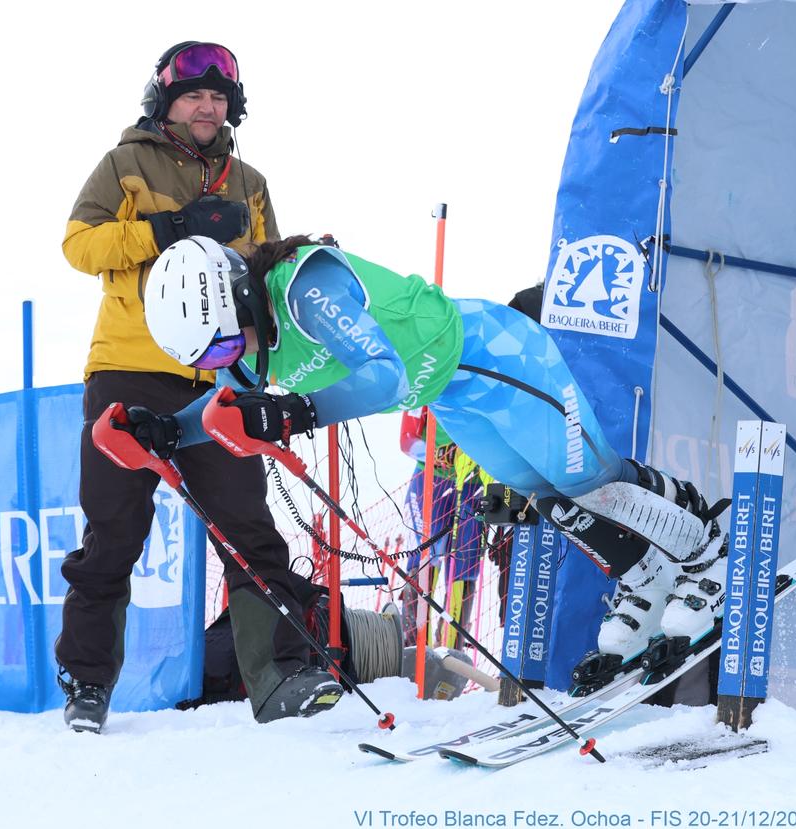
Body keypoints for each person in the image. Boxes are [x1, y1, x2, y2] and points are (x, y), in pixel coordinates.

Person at [132, 235, 730, 689]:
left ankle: (705, 546)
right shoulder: (245, 351)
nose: (231, 358)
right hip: (452, 393)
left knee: (587, 480)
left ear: (241, 294)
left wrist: (294, 413)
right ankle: (645, 577)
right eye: (212, 353)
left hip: (496, 354)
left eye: (228, 341)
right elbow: (219, 406)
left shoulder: (302, 286)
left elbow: (385, 373)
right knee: (545, 493)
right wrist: (166, 431)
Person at [56, 42, 339, 733]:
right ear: (167, 103)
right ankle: (87, 687)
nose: (207, 107)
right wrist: (169, 228)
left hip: (219, 375)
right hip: (130, 367)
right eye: (193, 97)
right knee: (115, 532)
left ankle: (280, 679)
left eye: (218, 98)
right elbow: (80, 245)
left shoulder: (250, 178)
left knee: (248, 526)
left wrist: (299, 258)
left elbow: (262, 271)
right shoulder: (125, 163)